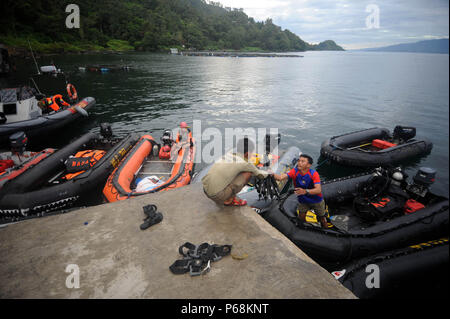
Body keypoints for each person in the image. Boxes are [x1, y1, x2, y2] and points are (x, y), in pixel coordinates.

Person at [202, 137, 269, 206]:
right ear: (247, 153)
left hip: (205, 190)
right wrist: (271, 174)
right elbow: (260, 175)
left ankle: (225, 195)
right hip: (217, 196)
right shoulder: (245, 163)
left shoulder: (229, 154)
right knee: (248, 173)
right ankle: (230, 200)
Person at [272, 154, 328, 228]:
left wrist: (305, 191)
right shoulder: (294, 171)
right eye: (299, 161)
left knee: (322, 219)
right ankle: (303, 229)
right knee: (301, 217)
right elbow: (280, 178)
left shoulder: (314, 174)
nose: (299, 163)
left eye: (303, 161)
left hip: (316, 200)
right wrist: (271, 174)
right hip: (303, 200)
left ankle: (325, 229)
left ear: (308, 165)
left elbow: (318, 190)